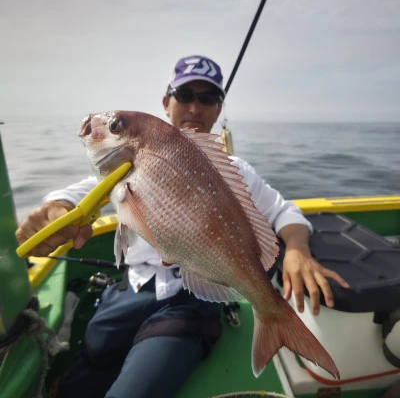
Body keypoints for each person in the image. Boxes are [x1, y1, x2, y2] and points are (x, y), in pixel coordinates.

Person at [16, 55, 349, 398]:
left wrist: (297, 249)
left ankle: (270, 321)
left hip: (188, 296)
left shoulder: (236, 170)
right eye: (185, 94)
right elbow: (79, 194)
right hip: (131, 288)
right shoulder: (124, 168)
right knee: (84, 371)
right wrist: (57, 208)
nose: (194, 106)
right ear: (167, 102)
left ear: (218, 109)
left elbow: (285, 212)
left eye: (208, 98)